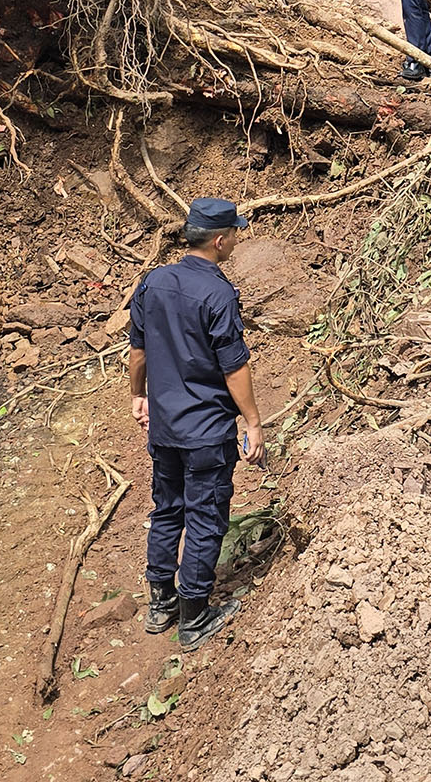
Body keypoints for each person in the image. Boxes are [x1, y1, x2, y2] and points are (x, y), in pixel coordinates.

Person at [129, 197, 264, 650]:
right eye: (235, 235)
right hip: (205, 430)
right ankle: (194, 616)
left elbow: (139, 351)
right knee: (206, 517)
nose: (236, 241)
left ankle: (160, 603)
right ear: (220, 241)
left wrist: (137, 395)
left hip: (164, 427)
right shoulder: (218, 294)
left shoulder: (153, 282)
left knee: (167, 510)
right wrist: (253, 423)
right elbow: (234, 368)